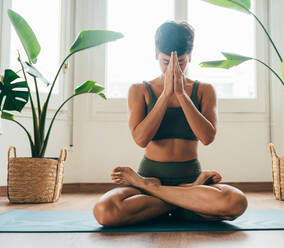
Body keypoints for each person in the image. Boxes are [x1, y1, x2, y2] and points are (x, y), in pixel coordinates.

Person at [93, 21, 248, 226]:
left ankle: (163, 192)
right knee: (105, 211)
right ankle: (183, 198)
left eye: (181, 62)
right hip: (152, 176)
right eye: (166, 62)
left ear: (190, 56)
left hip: (186, 178)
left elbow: (207, 138)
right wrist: (165, 95)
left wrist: (182, 94)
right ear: (156, 53)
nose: (173, 68)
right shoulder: (139, 90)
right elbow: (140, 139)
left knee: (236, 202)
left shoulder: (204, 90)